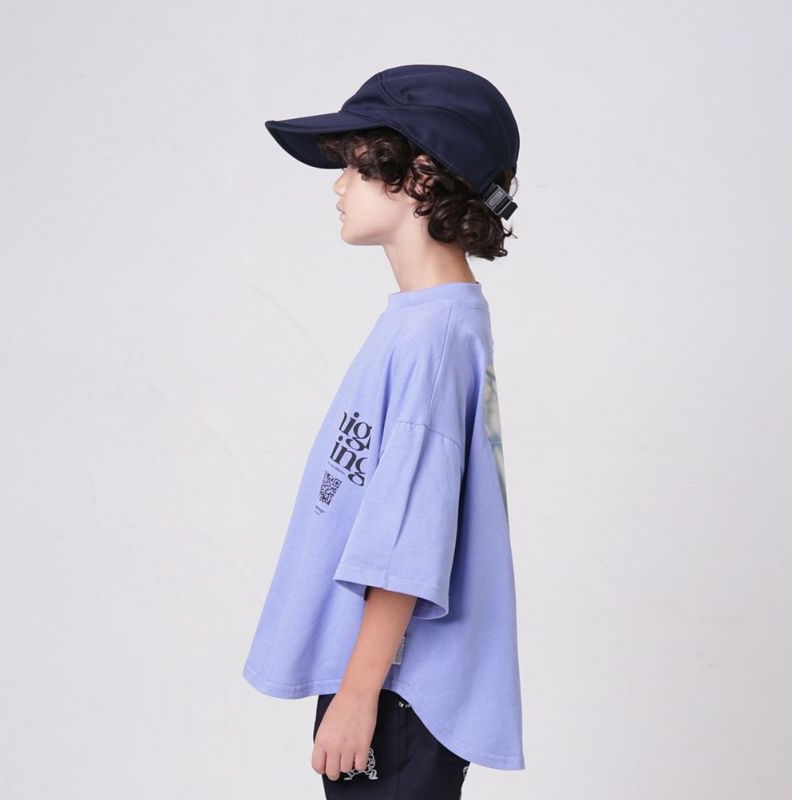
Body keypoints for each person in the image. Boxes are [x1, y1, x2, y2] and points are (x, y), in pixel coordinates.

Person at [242, 64, 525, 798]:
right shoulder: (432, 320)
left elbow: (407, 540)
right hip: (387, 677)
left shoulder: (435, 337)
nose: (339, 186)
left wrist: (359, 693)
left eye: (358, 166)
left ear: (421, 176)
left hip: (397, 688)